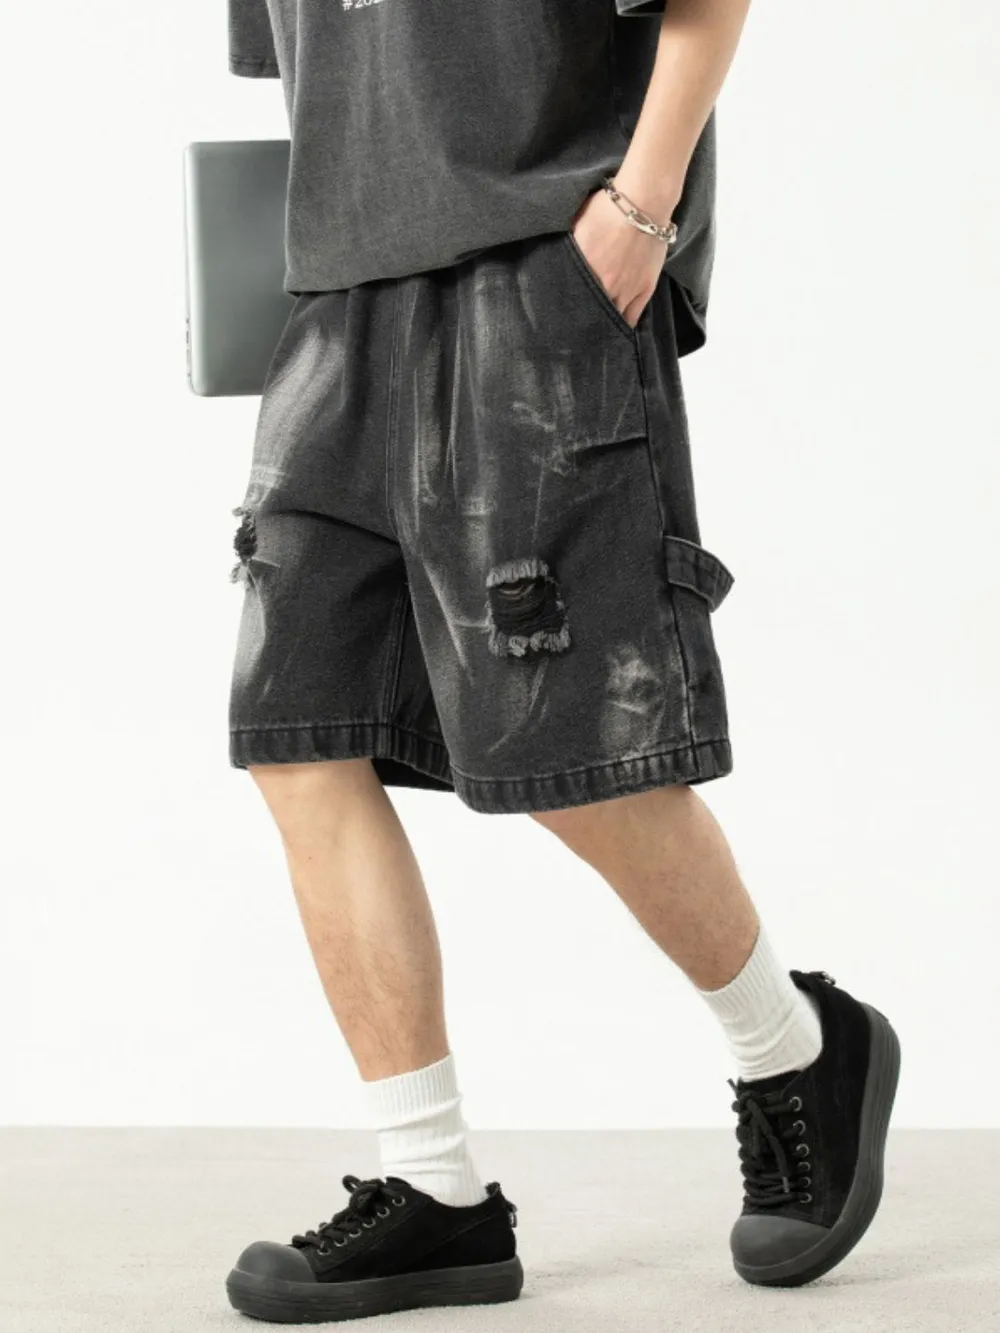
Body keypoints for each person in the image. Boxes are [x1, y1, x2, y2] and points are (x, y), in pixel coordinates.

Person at [222, 0, 901, 1322]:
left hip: (540, 270)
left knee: (575, 742)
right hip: (335, 306)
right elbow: (318, 76)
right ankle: (435, 1191)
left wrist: (641, 212)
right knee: (297, 739)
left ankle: (794, 1047)